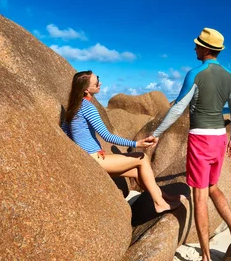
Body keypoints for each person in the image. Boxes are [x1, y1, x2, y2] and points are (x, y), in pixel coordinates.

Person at [152, 28, 231, 260]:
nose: (194, 48)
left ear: (205, 48)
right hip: (219, 139)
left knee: (200, 196)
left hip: (200, 140)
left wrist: (157, 133)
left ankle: (205, 256)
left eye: (197, 45)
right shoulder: (230, 77)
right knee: (213, 187)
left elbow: (178, 108)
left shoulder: (195, 73)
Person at [62, 70, 180, 213]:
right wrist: (137, 144)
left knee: (137, 172)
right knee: (142, 158)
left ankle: (162, 196)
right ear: (86, 89)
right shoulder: (88, 108)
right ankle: (160, 203)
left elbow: (65, 133)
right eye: (97, 81)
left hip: (88, 158)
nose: (100, 83)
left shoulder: (74, 107)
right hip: (95, 160)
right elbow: (107, 136)